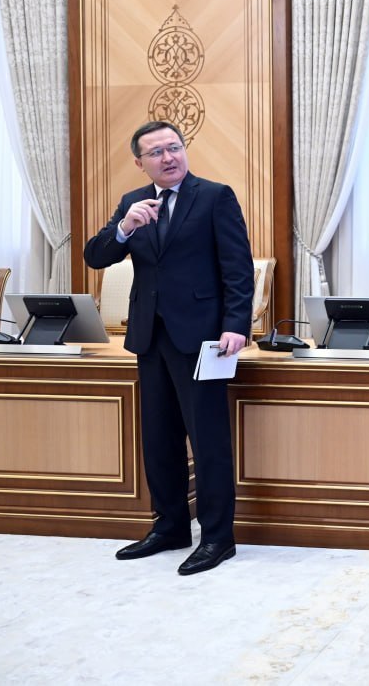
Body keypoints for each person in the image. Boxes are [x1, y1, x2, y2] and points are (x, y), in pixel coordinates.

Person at [84, 120, 254, 575]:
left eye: (174, 147)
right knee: (159, 438)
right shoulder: (132, 202)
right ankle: (171, 526)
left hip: (202, 338)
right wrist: (124, 228)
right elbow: (96, 256)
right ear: (140, 163)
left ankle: (218, 537)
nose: (168, 157)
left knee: (208, 439)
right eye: (156, 152)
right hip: (149, 335)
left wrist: (236, 325)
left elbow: (238, 268)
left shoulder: (215, 197)